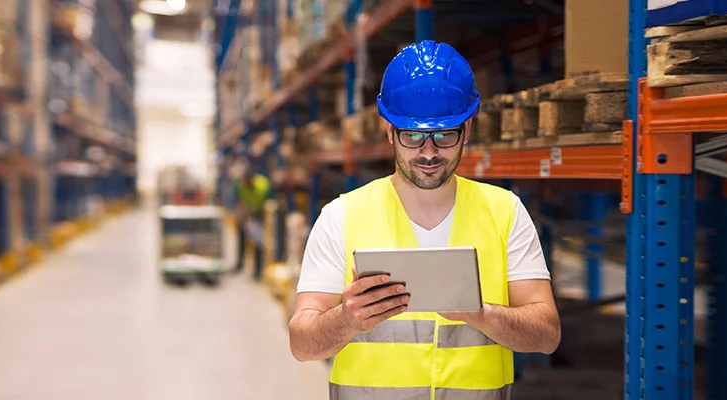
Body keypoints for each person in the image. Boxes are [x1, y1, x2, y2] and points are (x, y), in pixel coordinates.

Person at [287, 41, 560, 399]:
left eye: (444, 135)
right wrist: (346, 319)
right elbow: (302, 344)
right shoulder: (341, 217)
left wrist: (482, 315)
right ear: (388, 130)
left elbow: (547, 336)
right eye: (412, 135)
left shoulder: (505, 212)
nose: (428, 152)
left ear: (467, 127)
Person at [233, 163, 271, 280]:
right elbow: (240, 201)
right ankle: (239, 263)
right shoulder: (240, 186)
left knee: (258, 242)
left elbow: (269, 201)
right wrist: (241, 217)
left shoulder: (262, 185)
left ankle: (258, 270)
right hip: (248, 215)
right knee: (241, 237)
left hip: (260, 215)